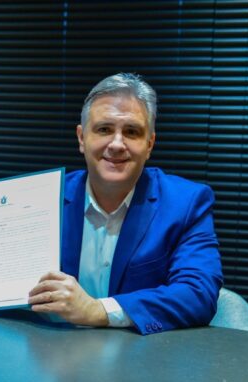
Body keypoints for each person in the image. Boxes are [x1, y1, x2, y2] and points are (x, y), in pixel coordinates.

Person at [28, 73, 223, 334]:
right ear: (82, 138)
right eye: (104, 129)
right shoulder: (38, 199)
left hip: (139, 355)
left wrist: (98, 310)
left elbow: (198, 294)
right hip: (47, 350)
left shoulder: (186, 203)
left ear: (150, 144)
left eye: (131, 132)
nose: (117, 144)